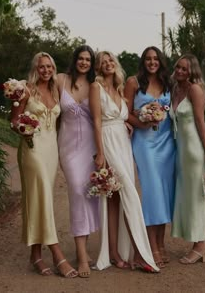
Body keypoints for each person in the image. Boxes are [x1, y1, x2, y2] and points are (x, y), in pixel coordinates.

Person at [89, 51, 159, 273]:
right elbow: (97, 122)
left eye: (110, 60)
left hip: (123, 145)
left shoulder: (119, 90)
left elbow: (127, 117)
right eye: (103, 62)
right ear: (98, 67)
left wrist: (149, 120)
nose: (108, 64)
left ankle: (114, 253)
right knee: (130, 195)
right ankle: (140, 254)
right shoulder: (95, 88)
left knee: (115, 200)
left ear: (115, 64)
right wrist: (100, 154)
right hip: (108, 143)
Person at [11, 52, 77, 278]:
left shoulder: (56, 91)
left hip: (51, 149)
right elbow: (14, 121)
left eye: (50, 66)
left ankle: (35, 255)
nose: (46, 70)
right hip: (32, 148)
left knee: (42, 197)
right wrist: (25, 129)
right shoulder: (26, 89)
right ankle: (57, 254)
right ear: (35, 68)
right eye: (42, 66)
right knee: (43, 198)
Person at [124, 46, 176, 268]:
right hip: (145, 143)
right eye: (148, 59)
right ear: (143, 61)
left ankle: (161, 244)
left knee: (164, 193)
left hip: (166, 144)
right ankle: (151, 245)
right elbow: (125, 112)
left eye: (155, 59)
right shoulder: (133, 82)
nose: (152, 62)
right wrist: (143, 122)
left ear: (160, 61)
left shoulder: (168, 83)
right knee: (152, 191)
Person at [57, 45, 100, 278]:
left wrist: (125, 122)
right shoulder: (60, 80)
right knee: (76, 191)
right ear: (74, 60)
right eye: (80, 58)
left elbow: (104, 113)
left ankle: (82, 249)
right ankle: (82, 257)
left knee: (88, 194)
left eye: (88, 59)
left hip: (90, 148)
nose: (84, 62)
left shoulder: (95, 84)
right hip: (68, 148)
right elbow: (41, 98)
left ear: (92, 63)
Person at [170, 53, 205, 264]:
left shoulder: (195, 90)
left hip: (194, 151)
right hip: (180, 152)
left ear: (192, 71)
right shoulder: (175, 89)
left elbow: (200, 121)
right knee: (186, 197)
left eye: (184, 69)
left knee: (196, 197)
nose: (179, 71)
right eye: (178, 67)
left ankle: (200, 246)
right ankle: (196, 243)